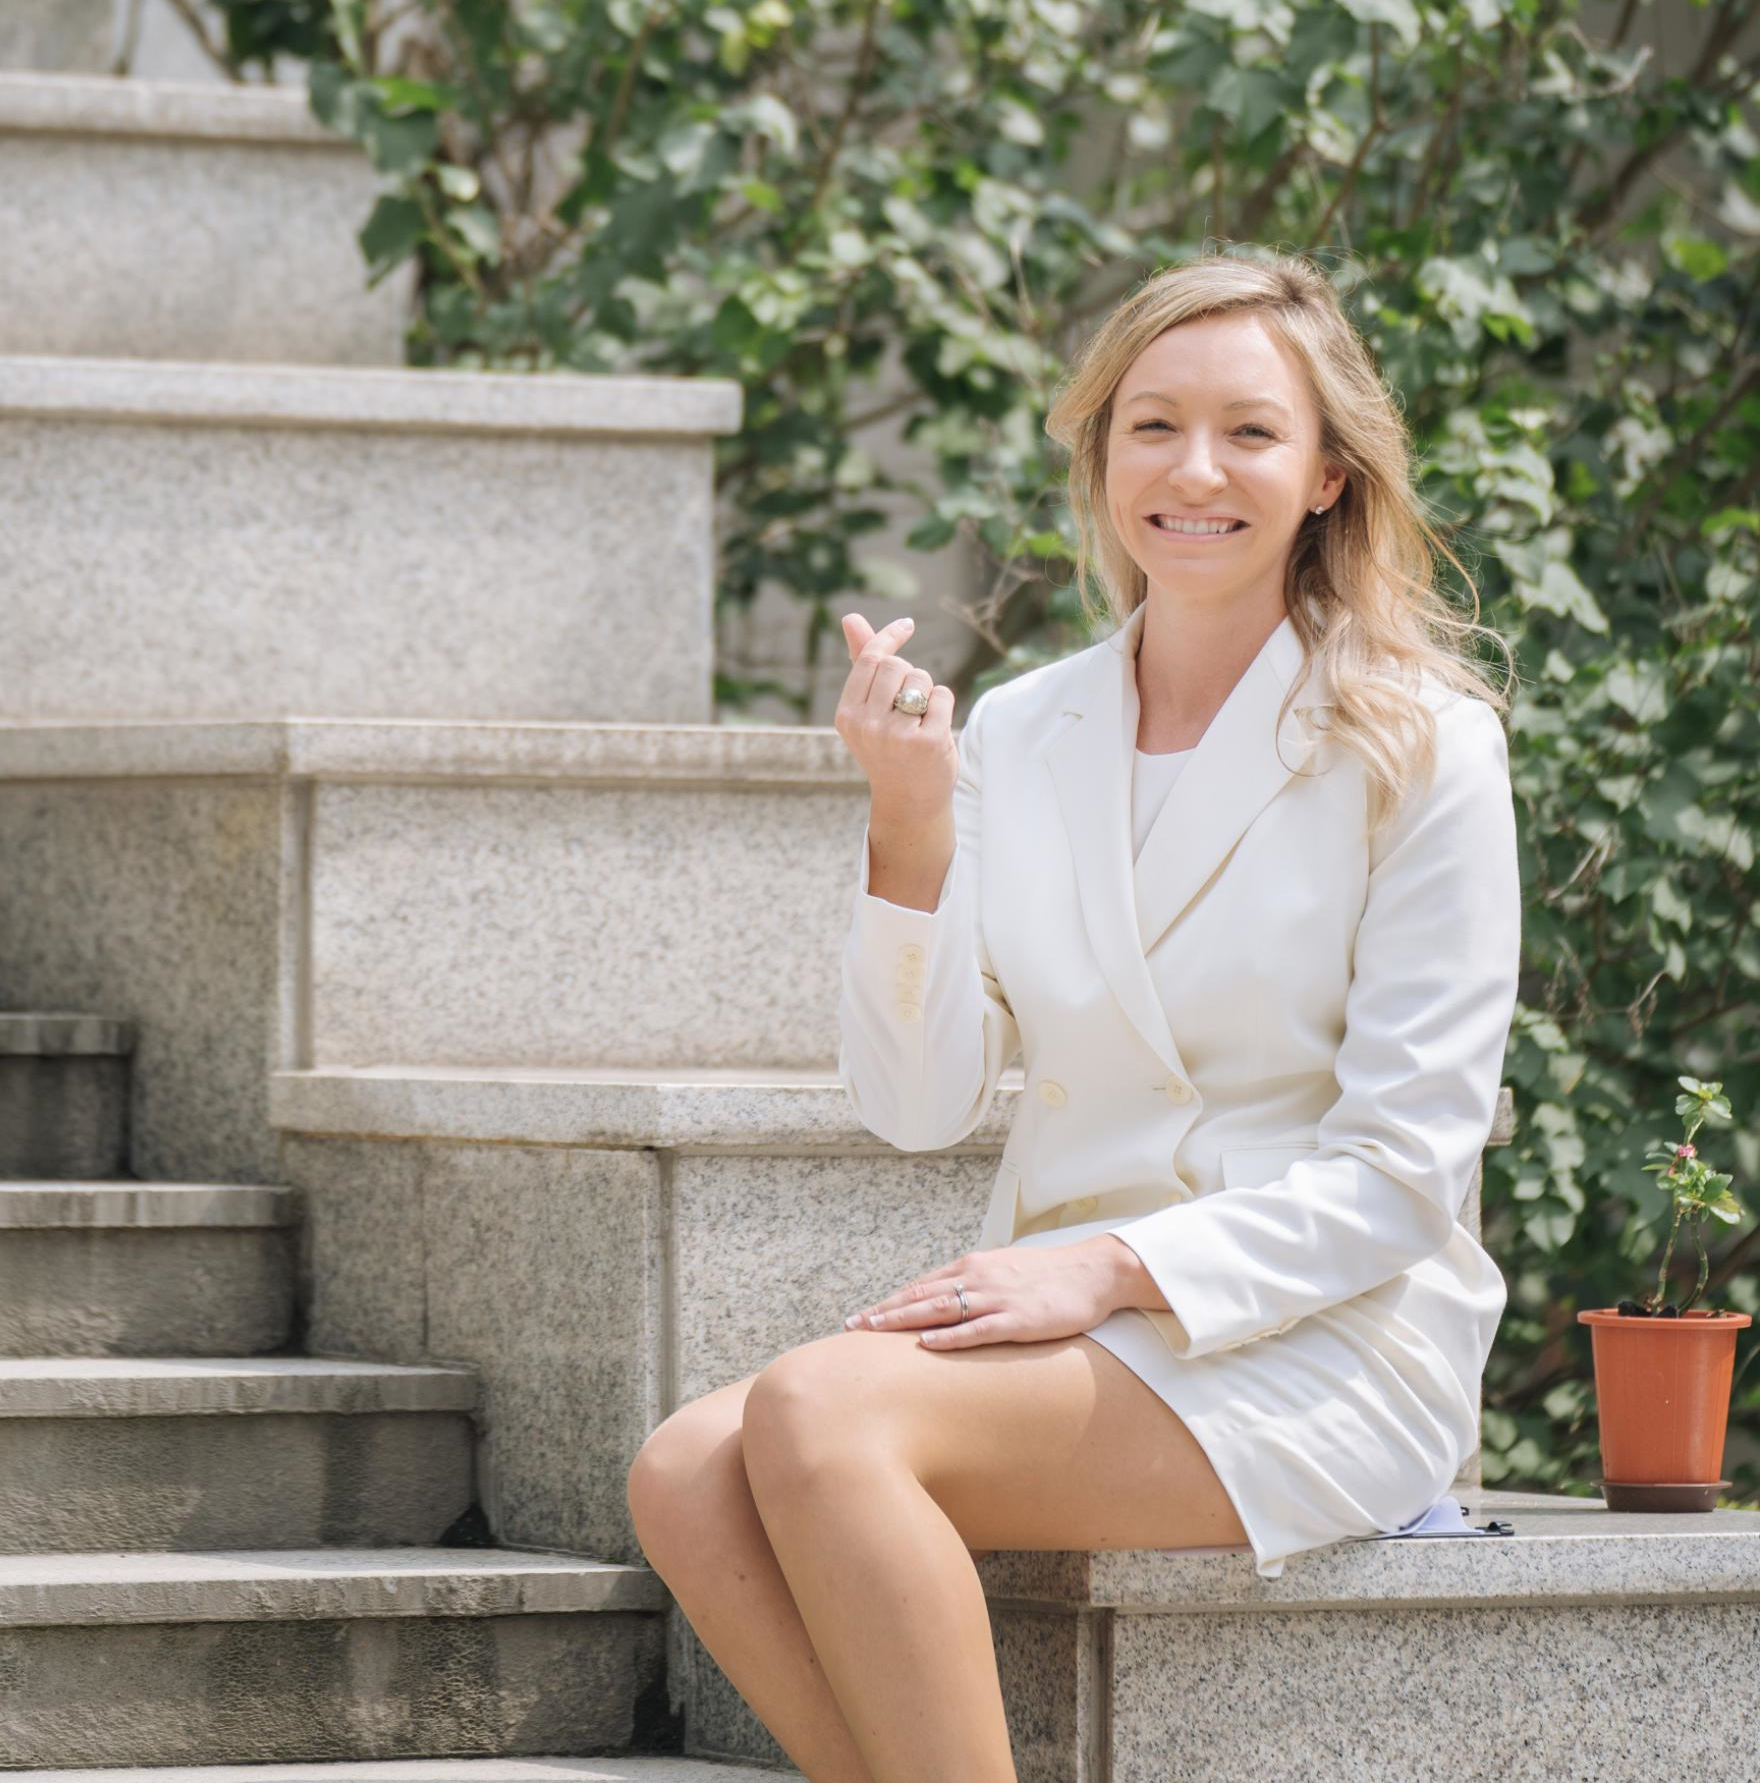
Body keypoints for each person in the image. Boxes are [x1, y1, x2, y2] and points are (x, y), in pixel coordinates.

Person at [627, 249, 1523, 1783]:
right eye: (1153, 425)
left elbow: (1405, 1171)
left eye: (1250, 431)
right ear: (1103, 454)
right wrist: (911, 821)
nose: (1195, 469)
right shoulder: (1024, 726)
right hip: (1071, 1321)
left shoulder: (1422, 744)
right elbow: (917, 1104)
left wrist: (1107, 1266)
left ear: (1327, 474)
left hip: (1317, 1330)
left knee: (821, 1414)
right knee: (685, 1472)